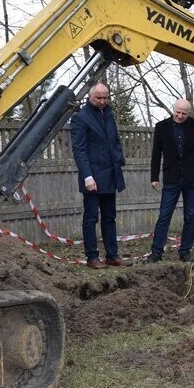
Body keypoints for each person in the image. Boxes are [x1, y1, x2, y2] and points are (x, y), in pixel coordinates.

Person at [70, 83, 128, 269]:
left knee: (110, 217)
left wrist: (119, 159)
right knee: (91, 218)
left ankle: (112, 255)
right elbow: (80, 150)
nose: (102, 101)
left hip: (110, 174)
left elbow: (114, 142)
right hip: (93, 177)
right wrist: (87, 176)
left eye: (105, 97)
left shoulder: (109, 114)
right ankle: (92, 257)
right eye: (99, 98)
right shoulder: (80, 118)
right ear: (89, 96)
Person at [146, 99, 194, 263]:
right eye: (178, 112)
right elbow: (156, 154)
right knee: (164, 215)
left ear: (188, 113)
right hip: (172, 177)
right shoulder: (161, 127)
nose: (180, 116)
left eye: (184, 113)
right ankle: (156, 252)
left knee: (190, 216)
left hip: (192, 176)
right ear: (173, 109)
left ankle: (185, 251)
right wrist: (154, 177)